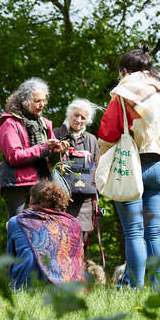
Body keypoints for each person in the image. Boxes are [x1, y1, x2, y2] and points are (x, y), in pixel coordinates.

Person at [97, 45, 160, 289]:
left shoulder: (124, 92)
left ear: (124, 71)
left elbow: (108, 131)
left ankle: (134, 287)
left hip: (133, 167)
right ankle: (159, 287)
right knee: (154, 232)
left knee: (134, 232)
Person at [0, 78, 67, 218]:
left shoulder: (45, 124)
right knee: (19, 228)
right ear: (24, 101)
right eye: (37, 101)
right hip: (17, 186)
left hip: (42, 185)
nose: (42, 105)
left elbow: (52, 160)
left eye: (44, 100)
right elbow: (14, 156)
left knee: (41, 230)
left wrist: (60, 151)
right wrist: (44, 147)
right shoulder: (10, 124)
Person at [6, 181, 86, 289]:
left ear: (31, 199)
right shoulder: (74, 224)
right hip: (71, 288)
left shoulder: (17, 221)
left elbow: (11, 259)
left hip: (27, 286)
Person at [54, 99, 99, 246]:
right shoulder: (56, 135)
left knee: (79, 249)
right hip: (60, 202)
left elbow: (98, 169)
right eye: (76, 115)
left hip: (85, 206)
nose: (79, 120)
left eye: (83, 117)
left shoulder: (91, 140)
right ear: (69, 115)